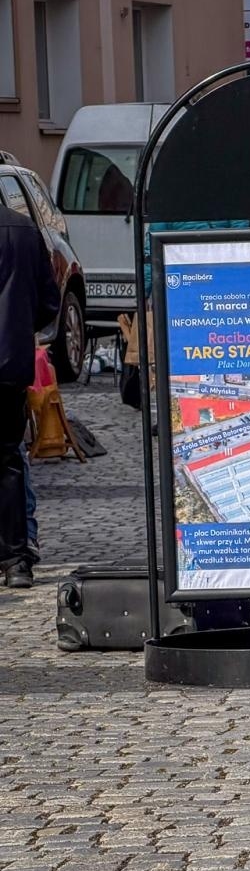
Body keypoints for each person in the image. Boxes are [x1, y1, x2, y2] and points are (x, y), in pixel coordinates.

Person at [0, 201, 60, 588]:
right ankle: (15, 559)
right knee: (7, 463)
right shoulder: (23, 228)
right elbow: (48, 302)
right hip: (9, 365)